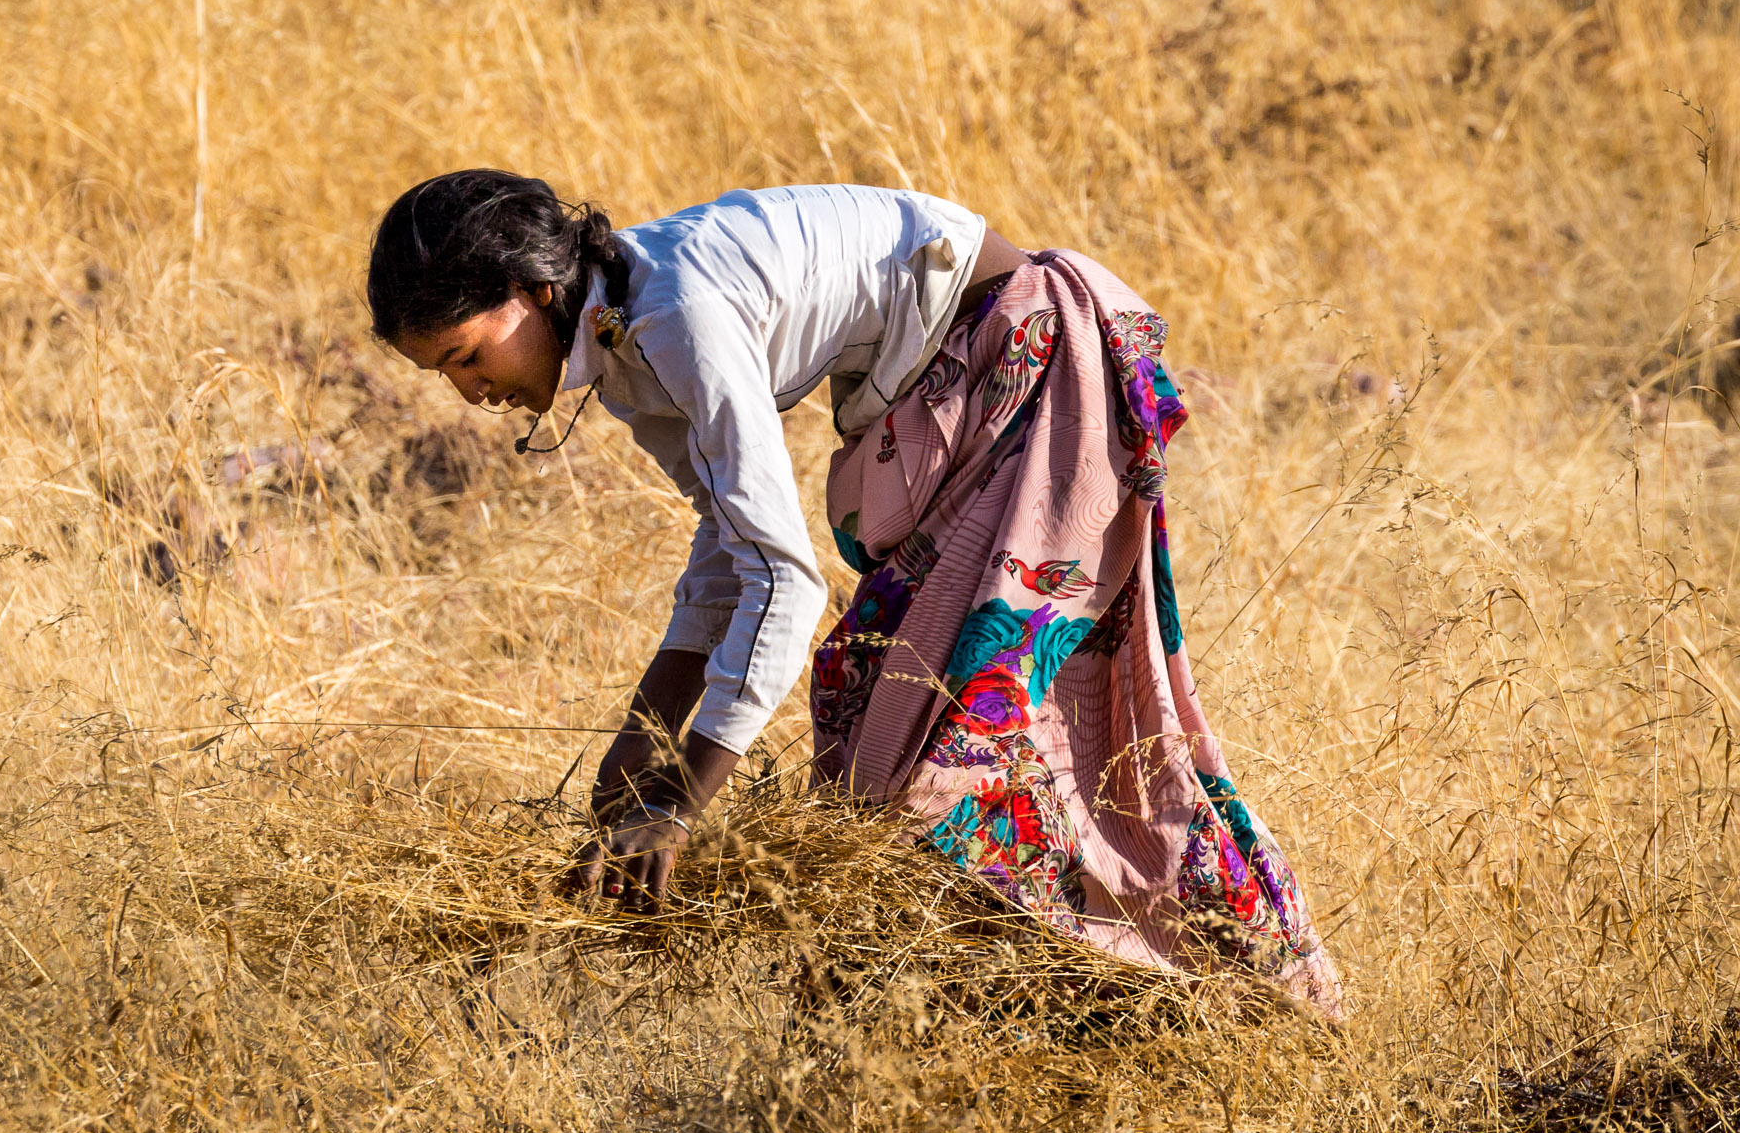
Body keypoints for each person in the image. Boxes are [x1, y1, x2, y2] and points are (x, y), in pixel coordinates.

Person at [367, 170, 1342, 1016]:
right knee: (867, 715)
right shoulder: (623, 340)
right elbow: (725, 547)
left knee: (947, 761)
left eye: (465, 354)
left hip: (1031, 363)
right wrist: (645, 744)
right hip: (967, 394)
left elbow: (781, 575)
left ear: (536, 292)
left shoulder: (672, 318)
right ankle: (1032, 1015)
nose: (469, 392)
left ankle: (1236, 985)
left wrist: (679, 804)